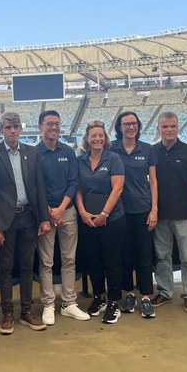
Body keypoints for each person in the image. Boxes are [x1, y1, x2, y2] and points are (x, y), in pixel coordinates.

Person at [0, 112, 51, 334]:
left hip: (29, 218)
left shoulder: (31, 153)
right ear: (1, 130)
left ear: (20, 129)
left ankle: (26, 311)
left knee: (26, 266)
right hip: (6, 220)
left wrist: (44, 218)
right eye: (8, 127)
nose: (12, 131)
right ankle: (7, 314)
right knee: (5, 267)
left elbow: (39, 188)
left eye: (15, 127)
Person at [36, 110, 89, 324]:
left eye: (57, 123)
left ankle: (69, 303)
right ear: (40, 126)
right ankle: (48, 305)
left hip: (67, 212)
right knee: (46, 262)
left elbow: (73, 182)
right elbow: (35, 185)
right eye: (49, 123)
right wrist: (49, 211)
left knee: (69, 260)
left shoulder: (68, 151)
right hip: (44, 214)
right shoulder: (33, 153)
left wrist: (61, 209)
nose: (54, 127)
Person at [152, 112, 187, 313]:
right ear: (158, 129)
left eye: (172, 126)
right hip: (161, 215)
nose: (169, 130)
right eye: (165, 127)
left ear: (178, 128)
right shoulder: (153, 152)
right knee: (162, 256)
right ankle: (165, 292)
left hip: (185, 215)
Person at [76, 120, 126, 324]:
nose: (97, 139)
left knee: (112, 262)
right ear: (87, 139)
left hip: (111, 219)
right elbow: (77, 188)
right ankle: (99, 297)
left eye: (100, 135)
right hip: (88, 219)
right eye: (93, 135)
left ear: (105, 138)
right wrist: (82, 213)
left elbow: (118, 188)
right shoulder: (80, 161)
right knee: (94, 261)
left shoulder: (113, 158)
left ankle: (114, 301)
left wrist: (104, 214)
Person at [111, 111, 159, 319]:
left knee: (144, 256)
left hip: (142, 209)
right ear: (119, 127)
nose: (130, 127)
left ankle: (146, 297)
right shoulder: (112, 148)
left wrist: (154, 209)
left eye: (133, 123)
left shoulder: (147, 149)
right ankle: (129, 293)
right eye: (126, 124)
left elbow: (154, 181)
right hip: (119, 212)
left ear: (138, 126)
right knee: (124, 255)